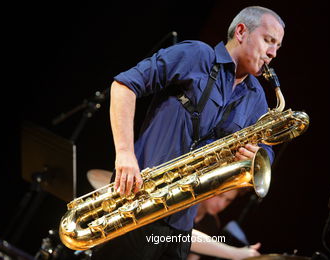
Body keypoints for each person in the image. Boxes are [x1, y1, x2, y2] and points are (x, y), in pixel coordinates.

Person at [91, 5, 284, 260]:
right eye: (269, 41)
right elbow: (124, 85)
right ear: (241, 32)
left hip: (180, 228)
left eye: (278, 47)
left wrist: (258, 155)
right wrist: (125, 154)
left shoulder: (257, 97)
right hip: (135, 207)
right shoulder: (196, 55)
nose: (272, 53)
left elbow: (265, 154)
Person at [188, 190, 261, 260]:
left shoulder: (212, 223)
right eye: (219, 195)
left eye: (228, 200)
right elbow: (182, 236)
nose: (221, 204)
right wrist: (235, 253)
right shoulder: (182, 207)